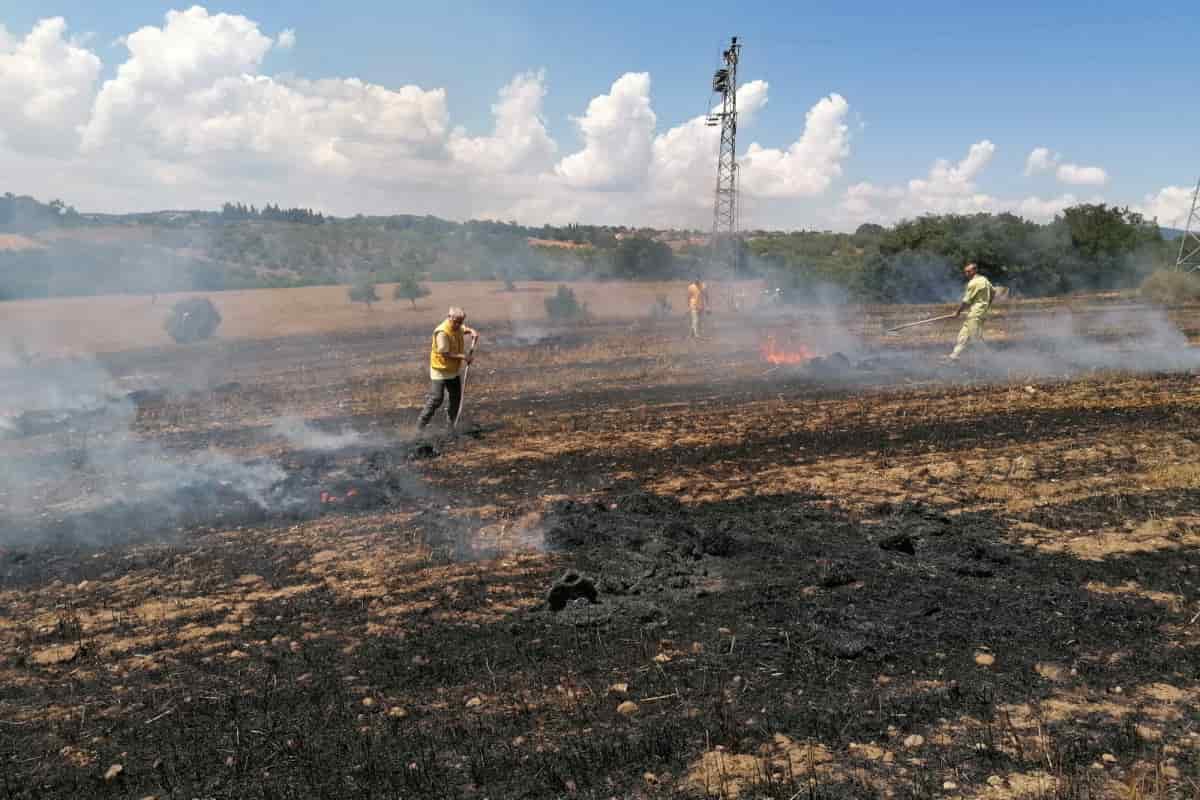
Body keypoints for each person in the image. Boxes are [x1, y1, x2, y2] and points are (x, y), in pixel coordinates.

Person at [416, 307, 479, 430]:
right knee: (436, 399)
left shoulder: (458, 326)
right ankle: (420, 426)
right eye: (456, 321)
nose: (458, 324)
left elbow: (463, 329)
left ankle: (451, 425)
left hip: (453, 370)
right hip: (440, 370)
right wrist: (464, 357)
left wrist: (472, 331)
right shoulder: (442, 333)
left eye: (460, 322)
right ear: (449, 317)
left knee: (456, 398)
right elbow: (445, 353)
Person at [947, 262, 996, 361]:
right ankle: (954, 356)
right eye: (965, 272)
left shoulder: (973, 283)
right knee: (964, 334)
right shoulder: (984, 280)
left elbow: (966, 301)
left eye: (969, 271)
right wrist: (987, 304)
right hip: (977, 313)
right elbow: (993, 292)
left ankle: (990, 358)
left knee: (975, 337)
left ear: (975, 270)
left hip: (975, 314)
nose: (967, 274)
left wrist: (958, 312)